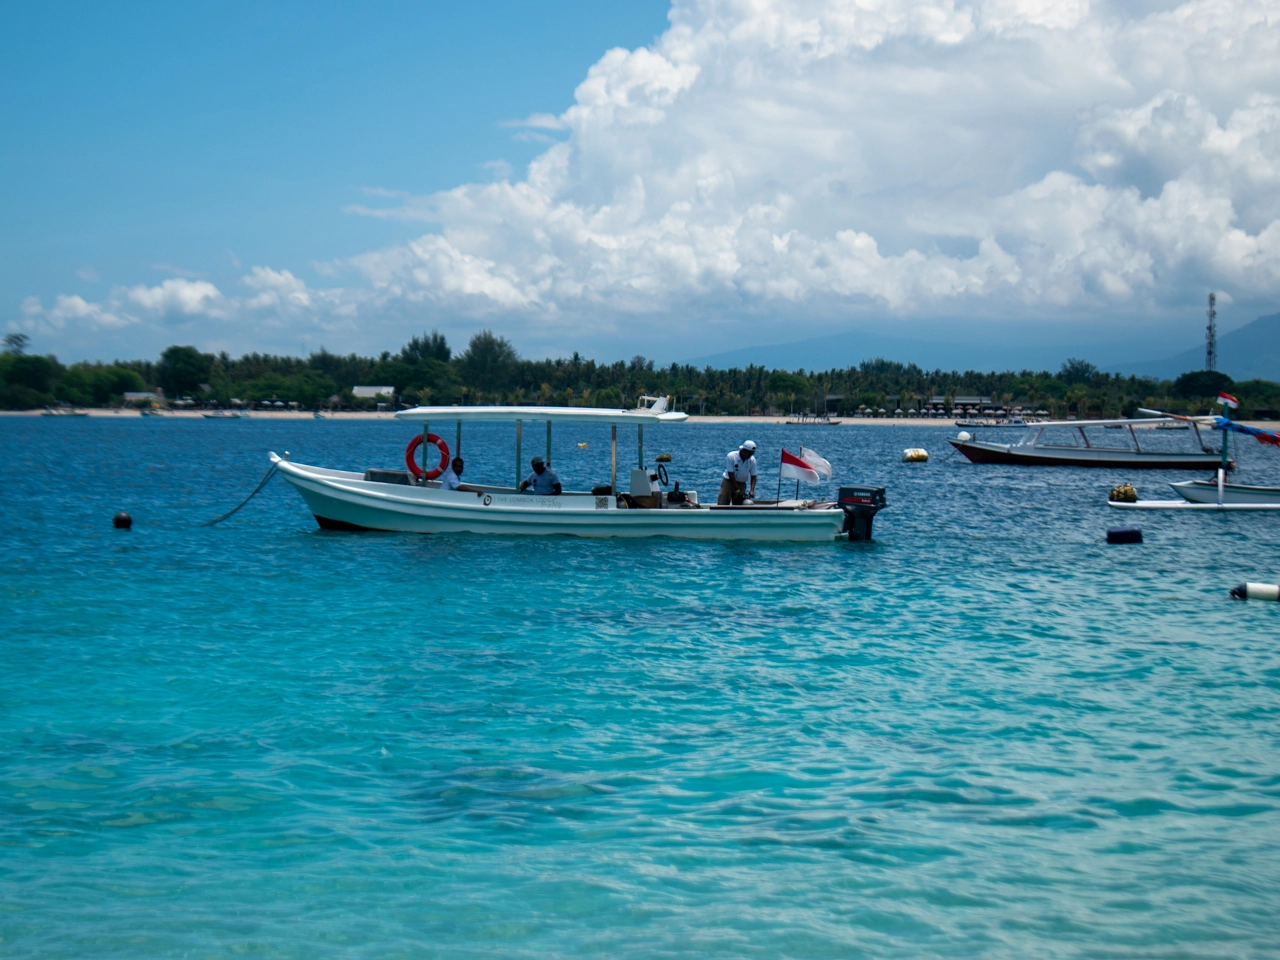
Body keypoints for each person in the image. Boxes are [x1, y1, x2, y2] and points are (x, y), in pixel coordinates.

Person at [718, 440, 758, 505]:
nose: (750, 455)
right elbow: (731, 474)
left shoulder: (752, 460)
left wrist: (752, 490)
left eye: (752, 453)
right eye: (749, 453)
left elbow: (753, 476)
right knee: (723, 502)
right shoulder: (731, 456)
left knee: (739, 503)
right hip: (728, 482)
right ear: (743, 450)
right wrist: (737, 490)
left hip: (741, 483)